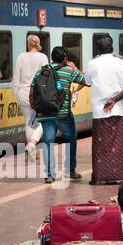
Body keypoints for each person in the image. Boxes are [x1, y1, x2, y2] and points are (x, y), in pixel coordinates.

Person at [84, 34, 123, 186]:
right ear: (112, 48)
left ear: (98, 49)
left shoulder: (92, 63)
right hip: (117, 109)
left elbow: (87, 82)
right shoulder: (121, 63)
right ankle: (119, 176)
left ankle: (99, 178)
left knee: (101, 146)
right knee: (117, 145)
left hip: (99, 111)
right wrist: (115, 100)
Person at [37, 47, 87, 182]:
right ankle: (70, 170)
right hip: (63, 114)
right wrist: (74, 68)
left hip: (46, 113)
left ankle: (49, 174)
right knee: (71, 139)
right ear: (65, 59)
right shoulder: (69, 71)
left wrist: (34, 107)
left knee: (48, 142)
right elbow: (86, 81)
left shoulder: (41, 71)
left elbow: (32, 90)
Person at [12, 34, 50, 158]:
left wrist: (16, 92)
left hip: (23, 92)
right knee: (44, 120)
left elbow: (16, 76)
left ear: (28, 44)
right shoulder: (43, 57)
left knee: (29, 122)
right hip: (38, 92)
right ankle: (33, 144)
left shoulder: (21, 57)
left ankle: (32, 150)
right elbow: (46, 76)